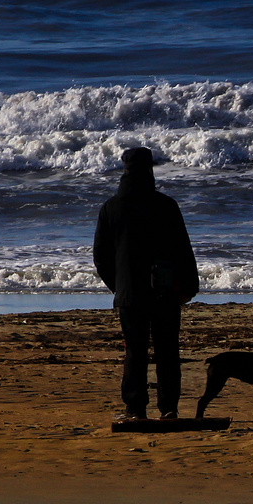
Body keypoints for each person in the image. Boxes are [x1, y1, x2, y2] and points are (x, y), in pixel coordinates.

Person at [92, 147, 198, 419]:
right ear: (150, 170)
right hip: (164, 291)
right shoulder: (166, 205)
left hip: (130, 295)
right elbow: (182, 251)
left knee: (135, 352)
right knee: (167, 352)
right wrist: (188, 287)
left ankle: (135, 408)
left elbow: (101, 257)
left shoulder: (111, 208)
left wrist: (119, 287)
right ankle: (169, 409)